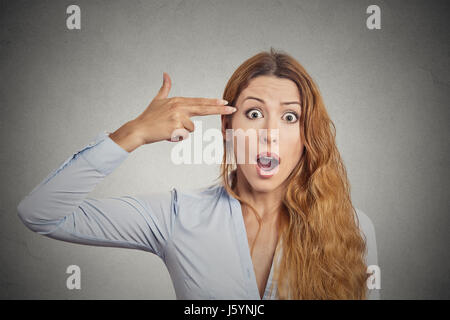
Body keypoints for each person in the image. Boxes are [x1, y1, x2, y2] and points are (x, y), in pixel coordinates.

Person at [17, 48, 379, 300]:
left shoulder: (352, 227)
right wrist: (134, 133)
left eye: (289, 117)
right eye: (253, 114)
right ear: (227, 127)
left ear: (305, 135)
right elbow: (41, 213)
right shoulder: (177, 216)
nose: (269, 132)